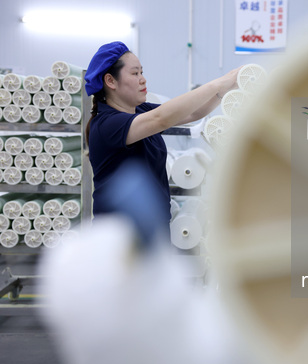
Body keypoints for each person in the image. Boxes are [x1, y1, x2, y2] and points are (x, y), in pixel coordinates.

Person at [84, 41, 240, 238]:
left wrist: (226, 88)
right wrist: (217, 83)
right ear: (110, 81)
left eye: (142, 72)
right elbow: (161, 119)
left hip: (153, 229)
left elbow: (193, 113)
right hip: (121, 237)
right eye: (135, 73)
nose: (143, 79)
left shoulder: (141, 111)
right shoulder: (107, 125)